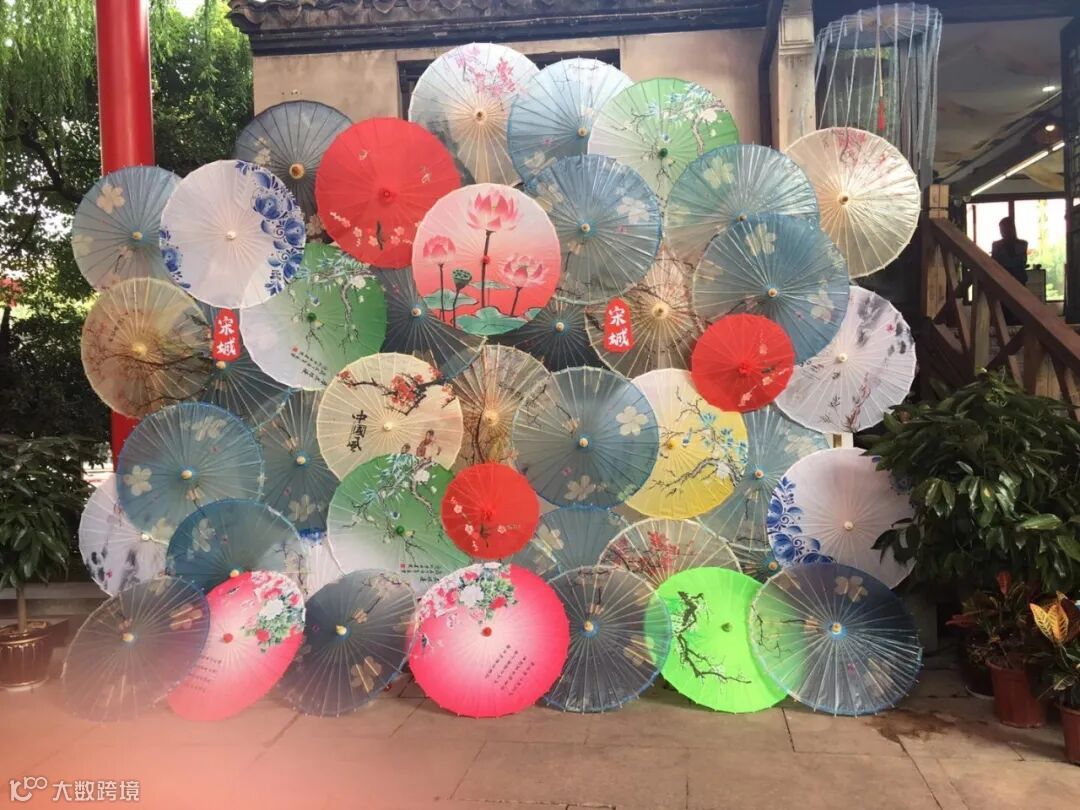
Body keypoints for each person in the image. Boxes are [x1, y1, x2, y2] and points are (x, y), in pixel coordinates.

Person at [991, 217, 1029, 286]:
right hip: (1002, 280)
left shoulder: (1022, 244)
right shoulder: (996, 245)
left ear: (1011, 229)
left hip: (1018, 280)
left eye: (1004, 229)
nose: (1002, 232)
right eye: (1001, 230)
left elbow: (1020, 262)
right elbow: (994, 263)